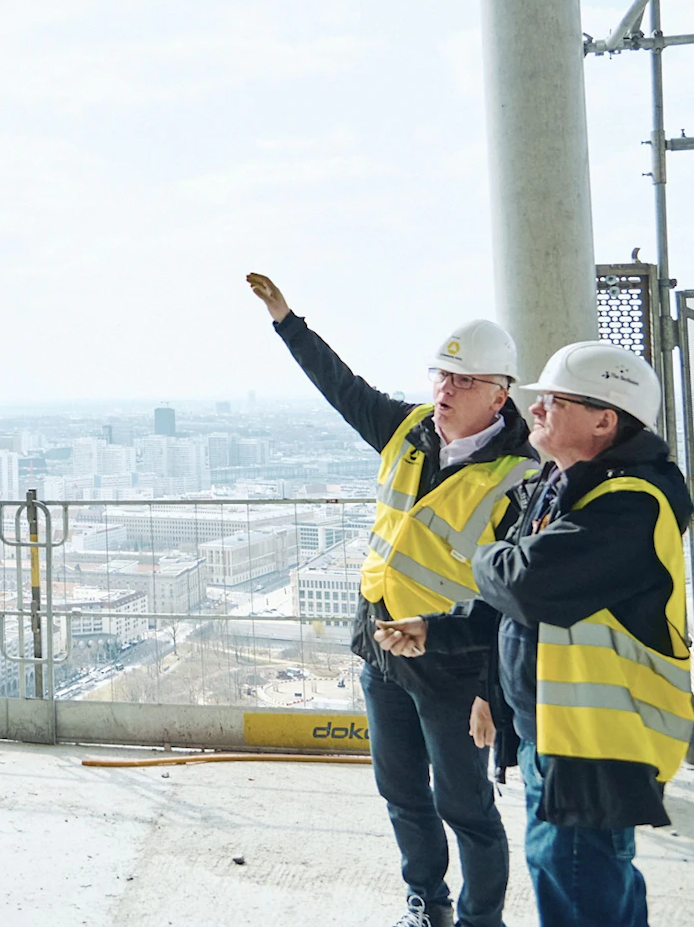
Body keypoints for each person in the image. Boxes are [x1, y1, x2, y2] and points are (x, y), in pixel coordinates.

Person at [247, 273, 538, 927]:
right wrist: (287, 319)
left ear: (500, 393)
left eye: (462, 380)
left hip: (454, 669)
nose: (444, 388)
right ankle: (427, 903)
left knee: (465, 806)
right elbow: (342, 387)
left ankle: (479, 919)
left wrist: (492, 688)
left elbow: (515, 601)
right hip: (382, 650)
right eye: (441, 374)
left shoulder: (518, 479)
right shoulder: (408, 430)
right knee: (402, 792)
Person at [378, 341, 692, 927]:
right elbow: (522, 608)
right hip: (555, 735)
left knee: (580, 889)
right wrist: (437, 630)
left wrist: (485, 555)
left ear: (605, 419)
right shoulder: (566, 485)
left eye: (555, 399)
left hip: (598, 743)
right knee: (581, 883)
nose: (538, 409)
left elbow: (523, 585)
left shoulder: (632, 504)